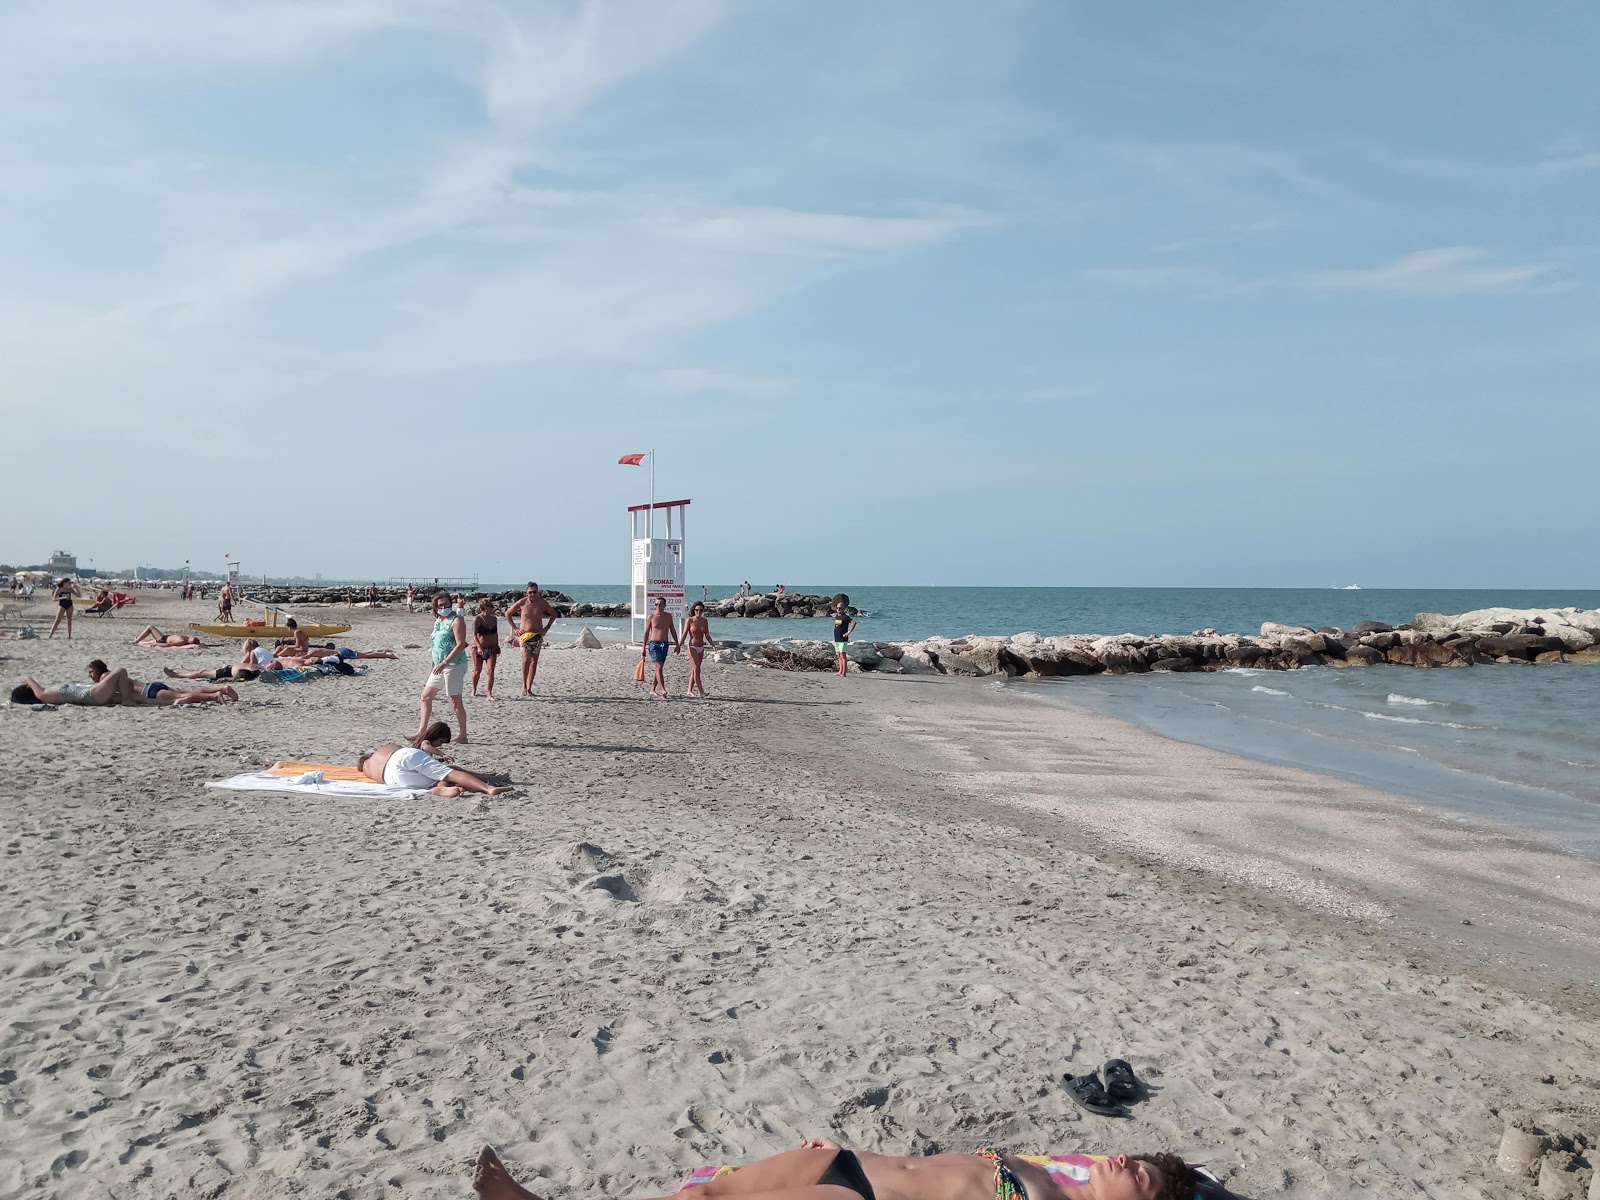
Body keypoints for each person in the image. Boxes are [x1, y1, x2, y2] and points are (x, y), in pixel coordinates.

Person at [470, 1141, 1192, 1200]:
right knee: (708, 1191)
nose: (1124, 1161)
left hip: (863, 1198)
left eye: (1141, 1179)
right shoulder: (1062, 1170)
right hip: (846, 1160)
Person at [354, 723, 513, 797]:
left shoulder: (367, 769)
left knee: (437, 779)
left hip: (394, 780)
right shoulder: (382, 751)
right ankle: (488, 786)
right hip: (401, 758)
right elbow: (407, 751)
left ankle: (441, 789)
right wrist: (441, 754)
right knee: (451, 773)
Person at [413, 591, 469, 745]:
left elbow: (460, 645)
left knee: (455, 700)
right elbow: (435, 642)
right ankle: (421, 731)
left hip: (454, 664)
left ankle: (463, 734)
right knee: (426, 696)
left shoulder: (457, 620)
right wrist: (435, 660)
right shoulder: (438, 620)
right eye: (440, 605)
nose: (443, 607)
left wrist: (444, 662)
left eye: (445, 604)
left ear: (450, 604)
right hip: (438, 664)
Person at [87, 659, 237, 705]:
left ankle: (215, 696)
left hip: (149, 693)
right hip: (151, 686)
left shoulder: (104, 677)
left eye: (91, 672)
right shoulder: (110, 675)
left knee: (184, 696)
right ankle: (222, 689)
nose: (90, 675)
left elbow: (104, 694)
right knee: (184, 693)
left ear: (98, 670)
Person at [505, 582, 558, 698]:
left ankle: (529, 688)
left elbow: (553, 614)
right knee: (526, 660)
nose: (532, 594)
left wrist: (547, 628)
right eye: (530, 592)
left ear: (538, 592)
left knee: (534, 663)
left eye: (535, 592)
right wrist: (515, 628)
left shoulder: (542, 603)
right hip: (524, 637)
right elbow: (508, 613)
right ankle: (523, 686)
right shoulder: (522, 603)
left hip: (537, 636)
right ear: (526, 592)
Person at [640, 596, 680, 698]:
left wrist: (677, 644)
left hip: (665, 644)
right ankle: (663, 689)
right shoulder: (651, 617)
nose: (658, 606)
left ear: (664, 606)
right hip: (654, 644)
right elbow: (646, 633)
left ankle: (652, 689)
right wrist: (643, 647)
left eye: (660, 604)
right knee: (658, 667)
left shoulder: (668, 616)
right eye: (656, 604)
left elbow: (672, 630)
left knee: (659, 668)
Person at [680, 599, 713, 698]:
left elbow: (707, 635)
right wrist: (679, 645)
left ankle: (689, 690)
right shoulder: (690, 620)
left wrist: (713, 645)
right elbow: (684, 634)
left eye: (701, 610)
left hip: (701, 648)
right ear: (694, 610)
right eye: (697, 610)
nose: (699, 612)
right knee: (697, 669)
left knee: (695, 670)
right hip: (692, 647)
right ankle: (701, 691)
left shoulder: (704, 621)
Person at [471, 596, 501, 699]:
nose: (493, 608)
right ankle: (474, 689)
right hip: (479, 648)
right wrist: (479, 647)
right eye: (491, 606)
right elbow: (474, 635)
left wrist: (497, 646)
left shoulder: (494, 619)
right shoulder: (478, 619)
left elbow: (495, 633)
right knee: (477, 671)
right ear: (485, 608)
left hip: (492, 648)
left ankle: (489, 693)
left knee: (490, 670)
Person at [831, 594, 857, 679]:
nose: (838, 609)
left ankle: (844, 672)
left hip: (843, 639)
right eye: (837, 608)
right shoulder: (837, 616)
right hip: (837, 639)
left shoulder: (845, 617)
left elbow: (853, 622)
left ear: (844, 609)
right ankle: (840, 671)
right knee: (838, 655)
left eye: (840, 608)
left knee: (843, 655)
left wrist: (849, 632)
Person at [132, 625, 205, 648]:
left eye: (192, 639)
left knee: (150, 627)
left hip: (163, 640)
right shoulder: (186, 638)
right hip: (165, 638)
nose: (192, 638)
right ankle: (139, 642)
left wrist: (156, 644)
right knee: (145, 643)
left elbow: (168, 645)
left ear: (190, 642)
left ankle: (137, 641)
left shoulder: (182, 641)